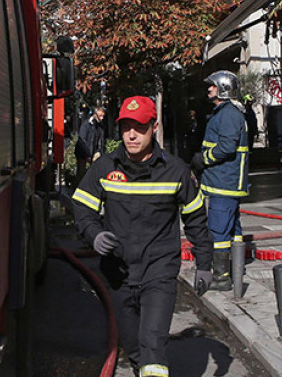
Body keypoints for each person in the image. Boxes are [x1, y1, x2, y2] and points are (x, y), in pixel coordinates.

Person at [72, 96, 213, 377]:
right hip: (117, 272)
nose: (132, 135)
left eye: (139, 127)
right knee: (134, 345)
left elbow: (196, 218)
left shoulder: (176, 172)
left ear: (154, 127)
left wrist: (206, 263)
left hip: (158, 271)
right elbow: (81, 207)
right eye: (125, 127)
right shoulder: (105, 168)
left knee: (153, 345)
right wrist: (95, 234)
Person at [191, 70, 250, 292]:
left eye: (213, 86)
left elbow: (226, 147)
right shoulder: (224, 113)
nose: (209, 89)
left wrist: (202, 159)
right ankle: (234, 270)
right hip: (222, 181)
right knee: (232, 229)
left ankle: (222, 276)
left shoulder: (229, 115)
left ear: (223, 89)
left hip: (224, 183)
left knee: (218, 232)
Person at [74, 106, 106, 185]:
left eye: (103, 116)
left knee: (94, 172)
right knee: (82, 172)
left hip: (92, 152)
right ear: (95, 115)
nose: (102, 118)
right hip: (82, 153)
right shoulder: (86, 125)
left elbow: (101, 140)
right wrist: (87, 155)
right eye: (100, 116)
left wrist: (99, 152)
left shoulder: (100, 126)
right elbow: (82, 141)